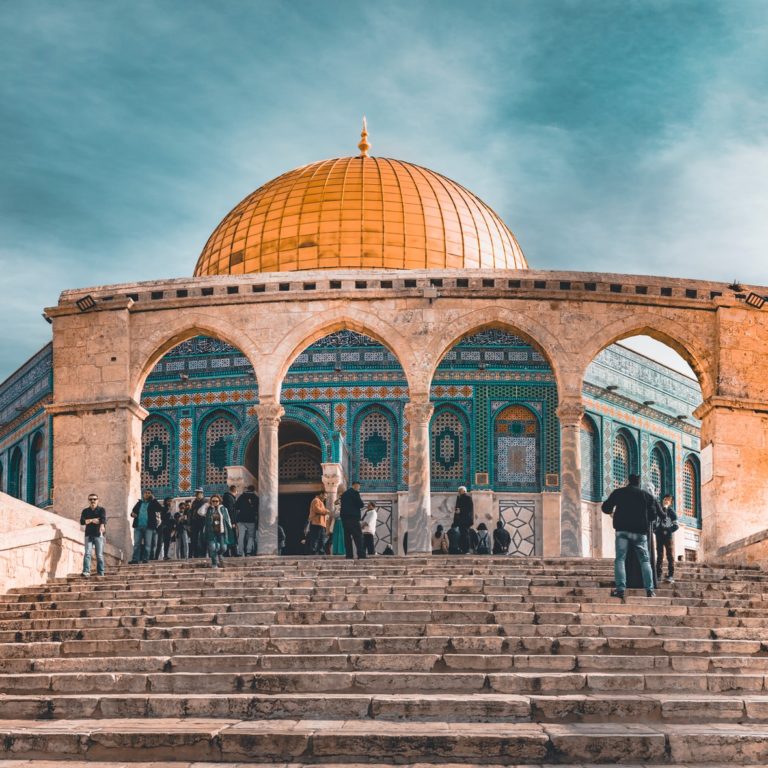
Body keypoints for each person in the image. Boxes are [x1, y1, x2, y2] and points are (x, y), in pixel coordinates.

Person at [601, 473, 656, 598]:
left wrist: (613, 512)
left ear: (628, 481)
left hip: (622, 531)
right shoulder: (646, 496)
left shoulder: (619, 493)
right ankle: (650, 590)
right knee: (645, 561)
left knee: (620, 559)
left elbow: (605, 508)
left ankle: (620, 589)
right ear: (639, 482)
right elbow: (653, 516)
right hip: (640, 533)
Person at [129, 490, 162, 564]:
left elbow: (160, 509)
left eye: (149, 493)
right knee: (137, 544)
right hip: (138, 527)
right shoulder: (139, 503)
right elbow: (133, 512)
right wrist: (132, 514)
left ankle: (145, 559)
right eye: (145, 493)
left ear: (151, 495)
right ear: (143, 494)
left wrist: (154, 499)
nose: (147, 494)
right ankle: (135, 559)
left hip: (148, 527)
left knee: (147, 544)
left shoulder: (153, 503)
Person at [202, 493, 234, 569]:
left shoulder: (223, 509)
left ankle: (219, 554)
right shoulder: (208, 509)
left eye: (216, 501)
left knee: (223, 548)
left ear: (219, 501)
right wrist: (206, 505)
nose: (215, 502)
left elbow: (228, 519)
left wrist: (229, 529)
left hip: (221, 532)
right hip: (211, 532)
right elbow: (200, 512)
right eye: (213, 501)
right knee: (212, 548)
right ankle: (214, 563)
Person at [79, 493, 106, 577]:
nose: (92, 501)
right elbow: (82, 521)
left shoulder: (101, 510)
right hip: (88, 534)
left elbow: (103, 520)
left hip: (98, 534)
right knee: (87, 553)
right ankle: (86, 571)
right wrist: (92, 520)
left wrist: (101, 524)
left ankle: (100, 572)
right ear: (88, 501)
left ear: (97, 500)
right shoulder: (85, 511)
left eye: (94, 499)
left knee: (99, 555)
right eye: (90, 499)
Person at [655, 494, 679, 583]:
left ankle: (671, 575)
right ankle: (658, 575)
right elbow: (655, 522)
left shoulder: (671, 512)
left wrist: (668, 531)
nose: (666, 501)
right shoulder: (659, 510)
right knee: (659, 555)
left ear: (670, 503)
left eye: (668, 500)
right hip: (659, 536)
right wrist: (655, 530)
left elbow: (676, 526)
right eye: (665, 499)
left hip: (668, 537)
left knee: (670, 555)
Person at [339, 480, 366, 559]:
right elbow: (361, 504)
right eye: (358, 486)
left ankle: (349, 555)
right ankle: (361, 555)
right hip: (353, 518)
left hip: (344, 519)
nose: (358, 488)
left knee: (347, 538)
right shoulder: (355, 493)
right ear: (355, 485)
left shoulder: (344, 494)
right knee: (358, 537)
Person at [235, 485, 259, 556]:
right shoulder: (256, 497)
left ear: (247, 489)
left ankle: (240, 552)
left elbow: (236, 506)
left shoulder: (242, 496)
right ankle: (248, 551)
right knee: (251, 536)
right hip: (251, 520)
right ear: (254, 490)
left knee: (241, 536)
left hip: (241, 519)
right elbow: (258, 509)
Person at [308, 490, 330, 555]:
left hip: (321, 523)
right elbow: (317, 509)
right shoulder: (316, 500)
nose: (325, 497)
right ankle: (313, 551)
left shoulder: (321, 502)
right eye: (325, 496)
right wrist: (326, 511)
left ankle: (321, 551)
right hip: (316, 523)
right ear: (321, 494)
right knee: (315, 538)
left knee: (321, 538)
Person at [453, 486, 474, 554]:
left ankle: (466, 549)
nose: (458, 492)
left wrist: (460, 511)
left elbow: (469, 509)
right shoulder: (459, 498)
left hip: (465, 520)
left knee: (465, 534)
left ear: (464, 491)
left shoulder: (467, 498)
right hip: (462, 520)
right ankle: (463, 549)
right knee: (462, 534)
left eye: (460, 491)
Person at [189, 489, 207, 557]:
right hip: (195, 522)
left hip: (203, 522)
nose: (196, 494)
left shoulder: (205, 502)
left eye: (198, 493)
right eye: (196, 493)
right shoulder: (194, 502)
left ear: (202, 493)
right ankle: (195, 554)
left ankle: (203, 554)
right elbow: (191, 512)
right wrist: (190, 523)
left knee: (203, 538)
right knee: (194, 539)